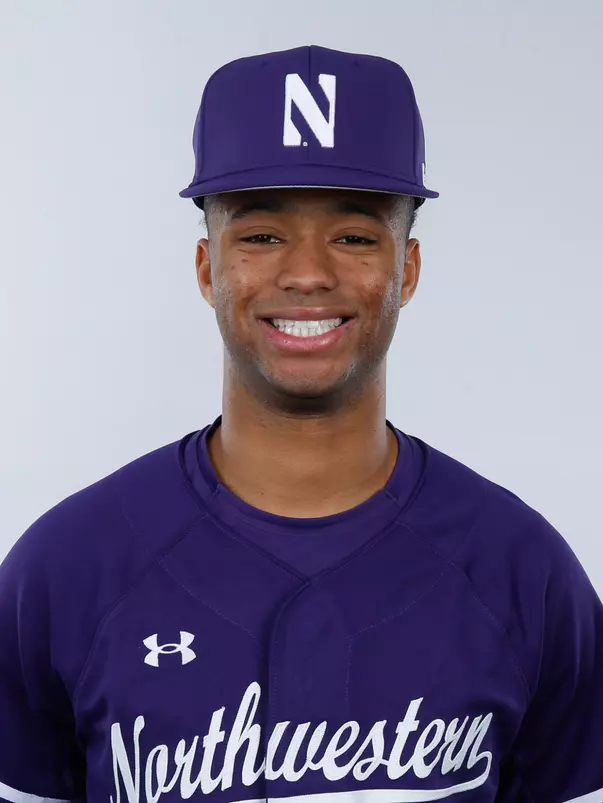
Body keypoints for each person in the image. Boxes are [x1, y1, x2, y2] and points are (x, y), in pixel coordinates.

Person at [0, 44, 601, 803]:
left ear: (406, 269)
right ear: (206, 267)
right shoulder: (66, 569)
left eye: (353, 236)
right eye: (260, 235)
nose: (308, 272)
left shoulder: (522, 572)